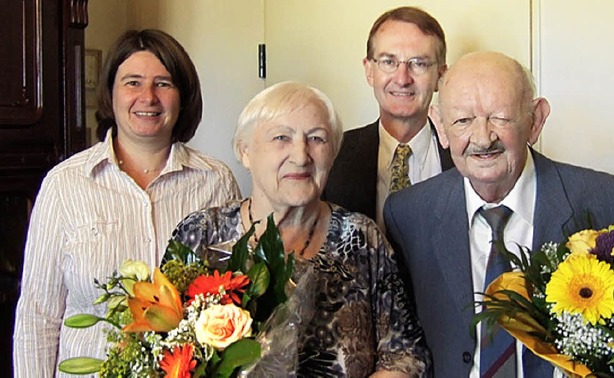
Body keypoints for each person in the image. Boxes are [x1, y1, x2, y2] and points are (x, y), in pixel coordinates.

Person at [384, 51, 614, 377]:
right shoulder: (407, 214)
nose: (482, 137)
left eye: (501, 118)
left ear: (535, 120)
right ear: (440, 126)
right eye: (463, 120)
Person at [13, 29, 241, 377]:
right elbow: (37, 315)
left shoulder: (216, 182)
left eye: (164, 84)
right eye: (132, 82)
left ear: (183, 96)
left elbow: (234, 299)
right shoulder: (65, 185)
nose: (147, 97)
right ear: (111, 93)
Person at [169, 81, 430, 377]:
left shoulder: (361, 238)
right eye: (281, 137)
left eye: (317, 139)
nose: (301, 156)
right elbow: (165, 352)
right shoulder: (201, 235)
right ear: (244, 152)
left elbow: (405, 355)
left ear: (332, 153)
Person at [324, 6, 454, 229]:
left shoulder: (463, 155)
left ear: (440, 77)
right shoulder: (333, 154)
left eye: (419, 64)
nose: (402, 79)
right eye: (388, 62)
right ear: (369, 71)